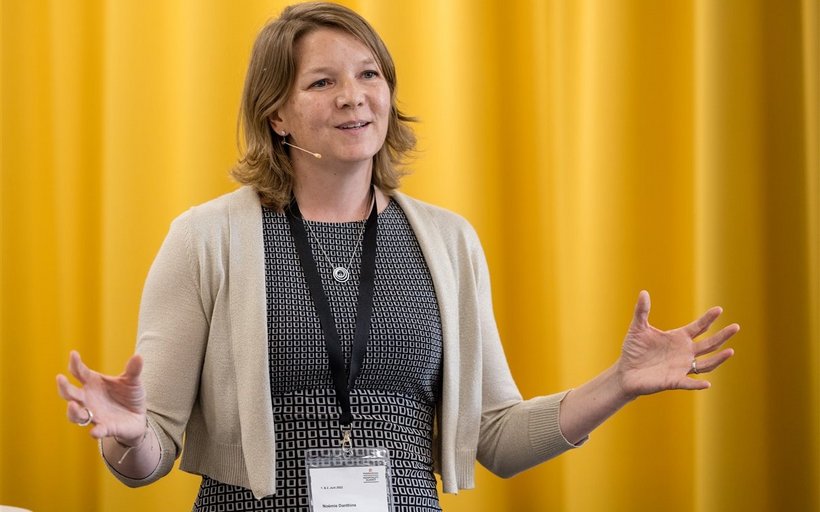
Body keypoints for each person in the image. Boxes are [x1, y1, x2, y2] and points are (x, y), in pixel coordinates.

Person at [56, 3, 739, 511]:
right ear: (276, 115)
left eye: (369, 74)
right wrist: (130, 435)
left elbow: (498, 438)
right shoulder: (206, 240)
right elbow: (147, 458)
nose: (354, 96)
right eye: (321, 82)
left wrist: (618, 384)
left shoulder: (448, 242)